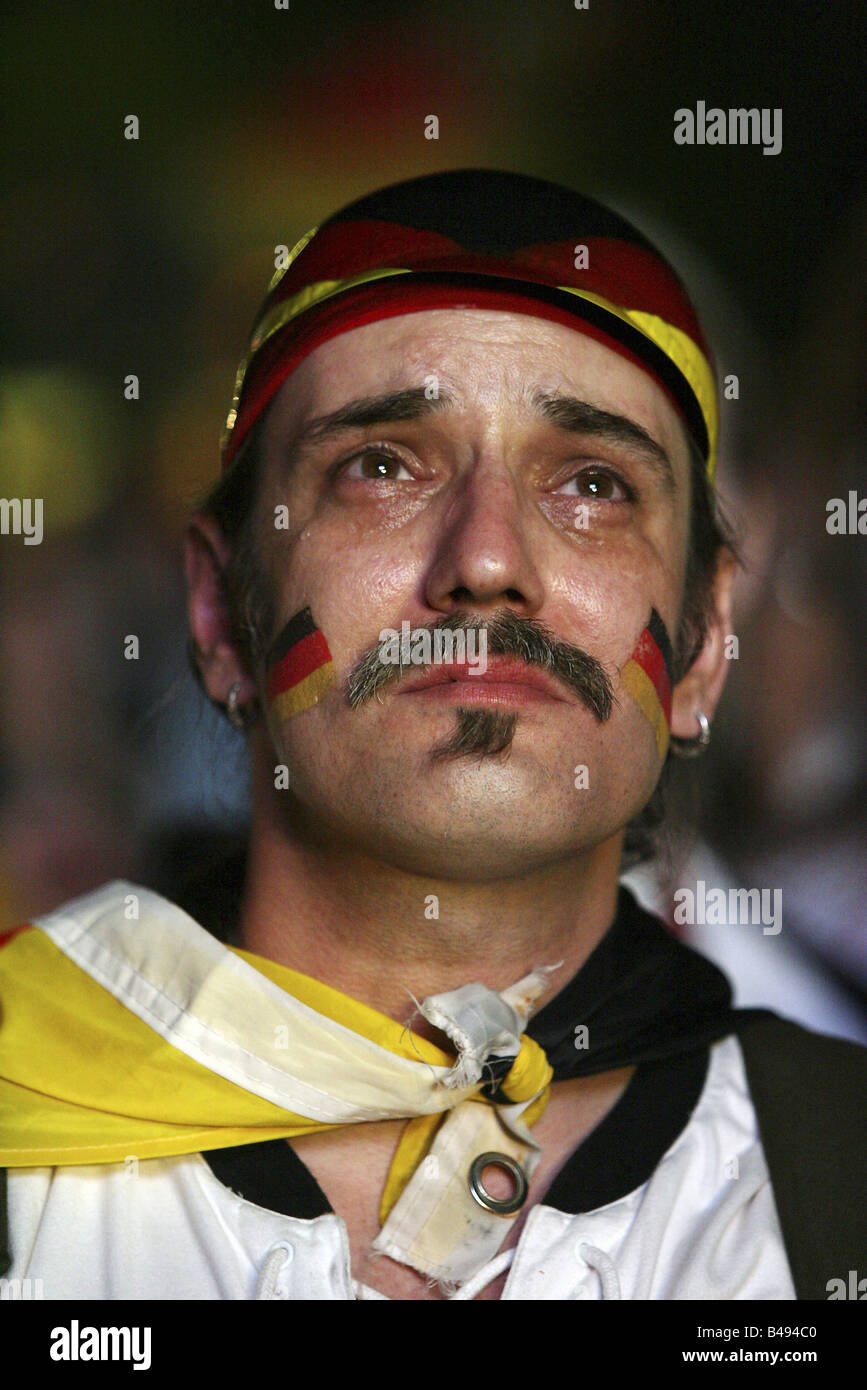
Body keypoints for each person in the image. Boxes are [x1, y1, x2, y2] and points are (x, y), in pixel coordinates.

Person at [1, 169, 864, 1302]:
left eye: (595, 483)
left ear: (705, 641)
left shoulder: (836, 1175)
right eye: (383, 465)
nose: (488, 559)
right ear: (221, 615)